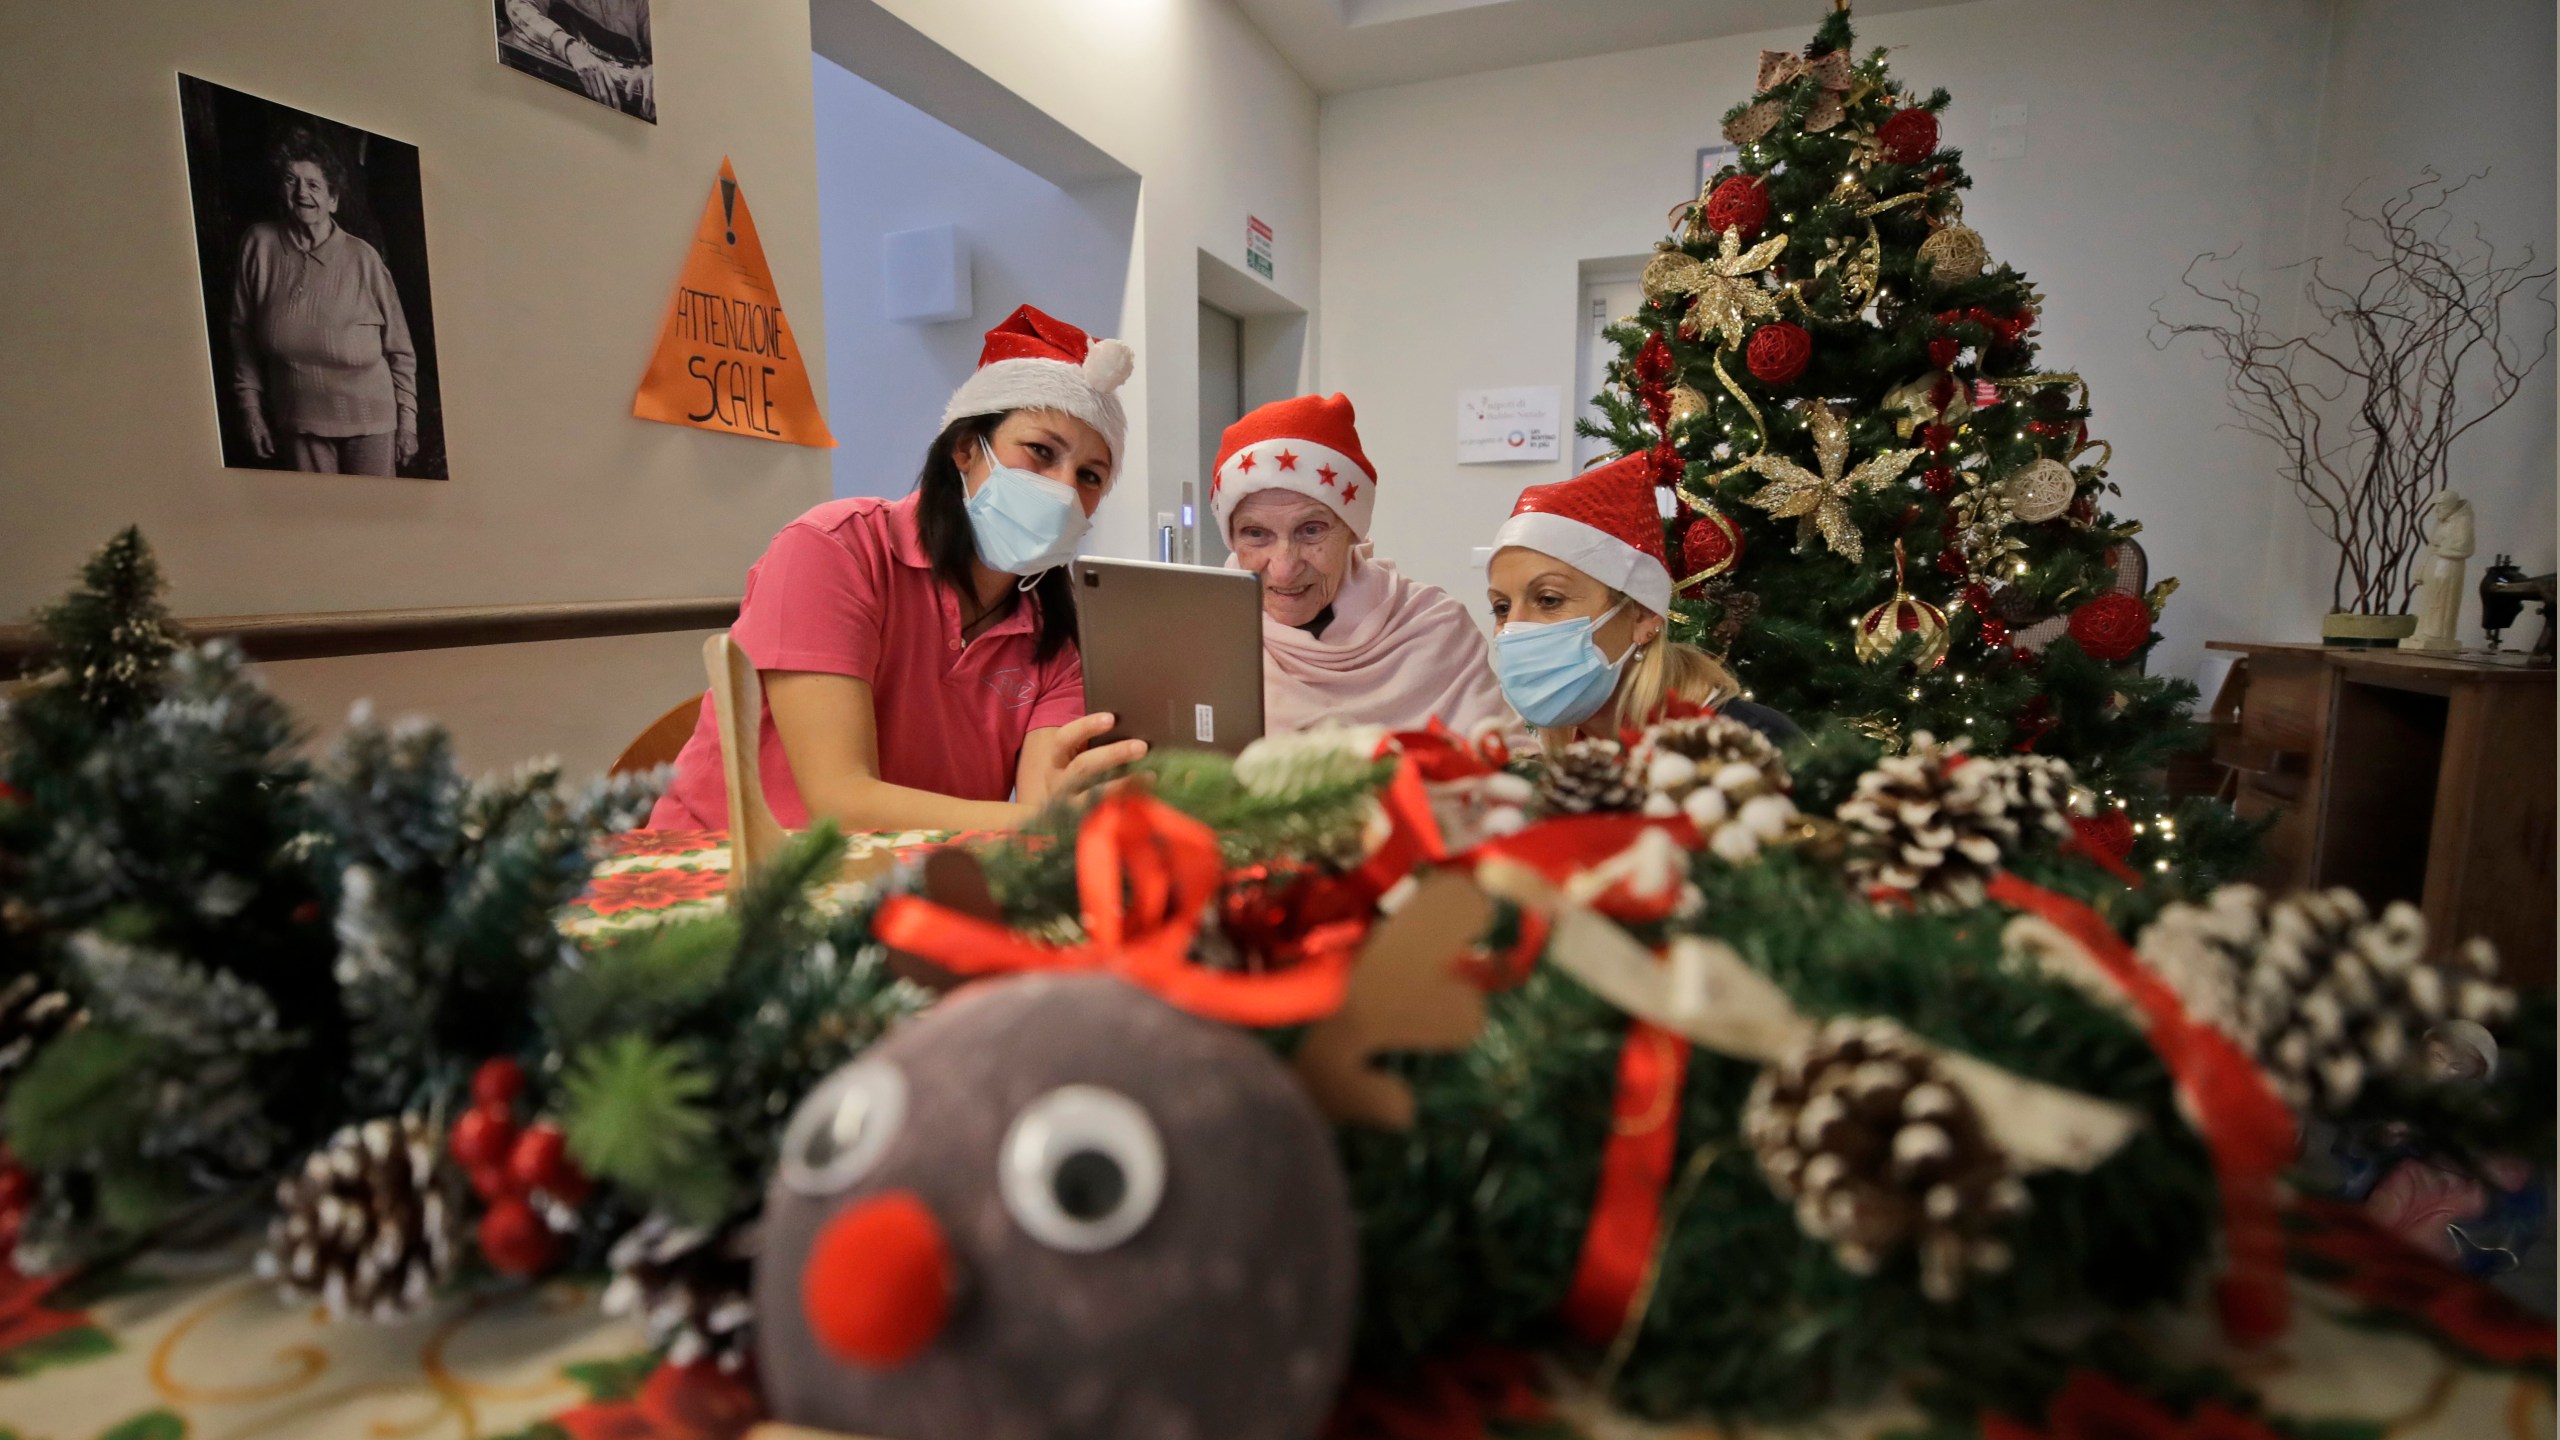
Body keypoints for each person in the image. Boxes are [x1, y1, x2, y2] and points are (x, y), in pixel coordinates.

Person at [648, 305, 1146, 833]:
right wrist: (1040, 822)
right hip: (716, 872)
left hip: (905, 883)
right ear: (964, 448)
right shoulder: (835, 550)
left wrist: (1088, 803)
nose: (1063, 488)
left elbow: (1049, 803)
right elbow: (842, 802)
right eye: (1041, 451)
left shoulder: (1056, 637)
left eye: (1090, 476)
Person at [1211, 393, 1514, 737]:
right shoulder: (1202, 636)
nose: (1283, 569)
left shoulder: (1433, 629)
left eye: (1311, 531)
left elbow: (1511, 766)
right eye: (1256, 534)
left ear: (1353, 531)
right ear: (1232, 538)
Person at [1485, 452, 1799, 750]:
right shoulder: (1570, 763)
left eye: (1549, 600)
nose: (1514, 629)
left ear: (1643, 615)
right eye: (1502, 608)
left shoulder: (1752, 743)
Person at [228, 125, 418, 477]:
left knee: (376, 523)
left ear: (333, 199)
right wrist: (250, 409)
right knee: (315, 525)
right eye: (291, 180)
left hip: (370, 420)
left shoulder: (363, 258)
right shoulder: (259, 245)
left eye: (314, 184)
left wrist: (408, 422)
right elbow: (242, 336)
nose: (302, 193)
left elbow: (401, 350)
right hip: (298, 421)